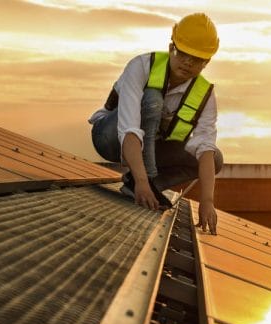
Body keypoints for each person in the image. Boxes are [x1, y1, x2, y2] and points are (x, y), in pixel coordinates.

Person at [89, 13, 223, 234]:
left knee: (215, 158)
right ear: (172, 48)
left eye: (197, 58)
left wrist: (207, 201)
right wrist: (144, 179)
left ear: (206, 62)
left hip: (151, 147)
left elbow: (205, 149)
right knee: (152, 99)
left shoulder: (205, 95)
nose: (188, 62)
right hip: (110, 137)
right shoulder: (142, 66)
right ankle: (145, 181)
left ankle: (138, 186)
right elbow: (129, 130)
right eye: (183, 53)